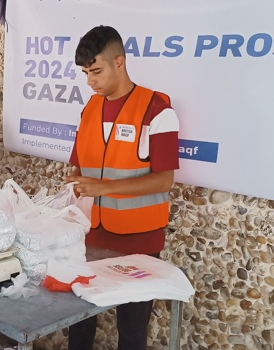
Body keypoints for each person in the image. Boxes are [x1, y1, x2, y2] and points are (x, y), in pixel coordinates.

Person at [64, 25, 180, 350]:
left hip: (139, 241)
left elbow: (164, 180)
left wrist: (101, 187)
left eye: (96, 71)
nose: (90, 81)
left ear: (120, 62)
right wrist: (72, 188)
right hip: (91, 237)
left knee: (131, 331)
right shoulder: (89, 109)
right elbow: (78, 167)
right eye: (86, 73)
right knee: (79, 321)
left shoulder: (157, 110)